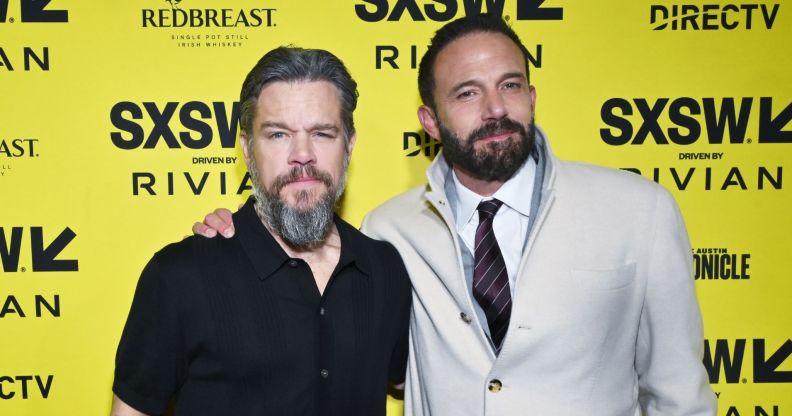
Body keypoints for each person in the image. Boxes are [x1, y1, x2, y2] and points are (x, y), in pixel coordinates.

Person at [195, 15, 716, 415]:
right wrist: (242, 238)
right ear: (431, 122)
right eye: (467, 93)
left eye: (510, 85)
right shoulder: (385, 232)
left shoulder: (638, 209)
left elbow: (679, 394)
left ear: (532, 97)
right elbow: (352, 343)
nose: (495, 109)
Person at [112, 46, 411, 416]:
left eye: (322, 133)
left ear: (349, 146)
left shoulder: (385, 269)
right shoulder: (179, 276)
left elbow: (413, 380)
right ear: (247, 149)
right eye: (278, 135)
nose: (303, 155)